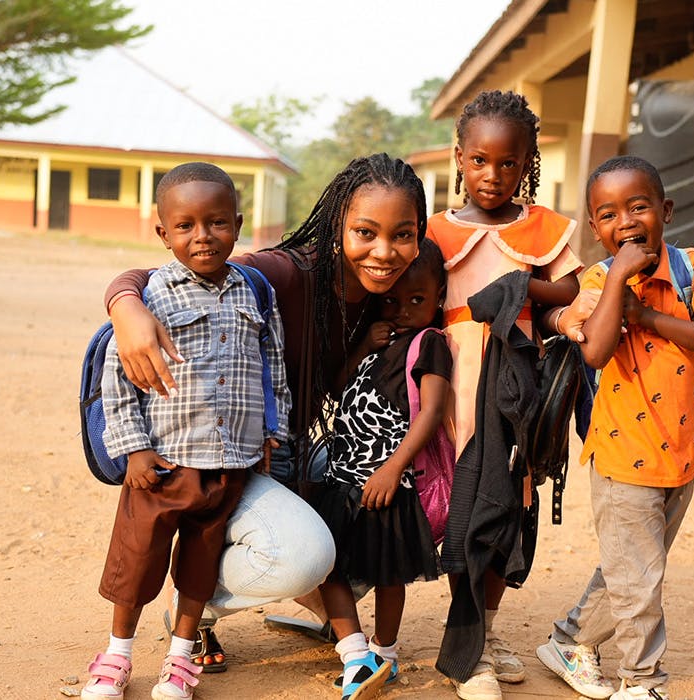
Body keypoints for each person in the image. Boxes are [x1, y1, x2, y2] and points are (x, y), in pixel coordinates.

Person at [102, 153, 427, 670]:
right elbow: (181, 265)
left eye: (403, 235)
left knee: (379, 532)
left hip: (292, 449)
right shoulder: (283, 274)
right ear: (338, 221)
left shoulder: (395, 289)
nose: (385, 251)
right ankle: (196, 606)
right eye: (365, 232)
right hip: (225, 455)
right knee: (306, 556)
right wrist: (124, 304)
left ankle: (262, 592)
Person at [82, 162, 292, 700]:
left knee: (199, 569)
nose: (203, 236)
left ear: (239, 224)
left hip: (229, 465)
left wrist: (274, 431)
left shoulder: (254, 294)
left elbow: (275, 368)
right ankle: (117, 655)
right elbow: (117, 377)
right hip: (163, 463)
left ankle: (180, 659)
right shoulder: (151, 296)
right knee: (137, 563)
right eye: (186, 226)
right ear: (163, 232)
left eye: (217, 222)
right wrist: (132, 449)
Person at [536, 155, 694, 700]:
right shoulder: (598, 281)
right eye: (608, 213)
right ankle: (643, 684)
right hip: (622, 461)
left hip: (680, 456)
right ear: (596, 228)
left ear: (664, 212)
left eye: (638, 206)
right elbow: (596, 353)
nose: (625, 221)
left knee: (632, 570)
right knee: (640, 580)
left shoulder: (692, 267)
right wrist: (620, 277)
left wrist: (645, 317)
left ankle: (568, 641)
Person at [427, 89, 583, 700]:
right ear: (459, 157)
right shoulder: (433, 230)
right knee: (463, 505)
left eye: (509, 163)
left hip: (517, 387)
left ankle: (485, 633)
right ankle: (467, 646)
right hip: (450, 388)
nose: (493, 176)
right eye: (480, 161)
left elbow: (568, 290)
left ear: (529, 162)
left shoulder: (543, 230)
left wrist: (518, 290)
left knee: (508, 509)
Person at [314, 238, 452, 699]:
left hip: (390, 482)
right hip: (343, 478)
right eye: (392, 300)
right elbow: (336, 387)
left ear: (438, 298)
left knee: (390, 573)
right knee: (328, 566)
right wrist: (359, 352)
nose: (402, 310)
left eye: (417, 300)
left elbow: (431, 412)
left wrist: (393, 469)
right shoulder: (374, 339)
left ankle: (386, 653)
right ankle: (356, 653)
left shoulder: (429, 343)